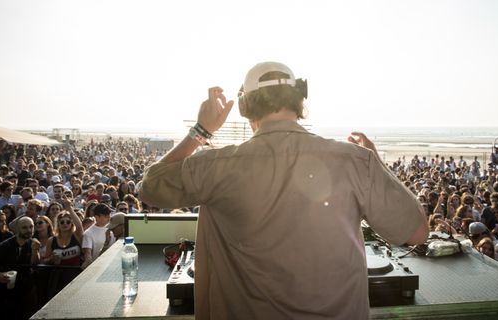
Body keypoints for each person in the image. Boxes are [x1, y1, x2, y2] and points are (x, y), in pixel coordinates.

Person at [140, 62, 428, 319]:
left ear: (245, 107)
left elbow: (150, 187)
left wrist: (201, 131)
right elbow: (416, 233)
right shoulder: (356, 160)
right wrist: (374, 163)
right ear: (299, 101)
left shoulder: (217, 165)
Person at [0, 216, 41, 320]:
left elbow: (34, 265)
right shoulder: (6, 245)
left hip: (27, 292)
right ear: (18, 229)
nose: (29, 230)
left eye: (31, 227)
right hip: (7, 295)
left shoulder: (33, 243)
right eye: (24, 227)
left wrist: (35, 251)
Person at [81, 203, 115, 269]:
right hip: (97, 269)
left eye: (109, 215)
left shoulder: (113, 228)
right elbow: (88, 254)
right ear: (97, 217)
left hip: (112, 266)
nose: (109, 217)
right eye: (105, 216)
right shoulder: (88, 233)